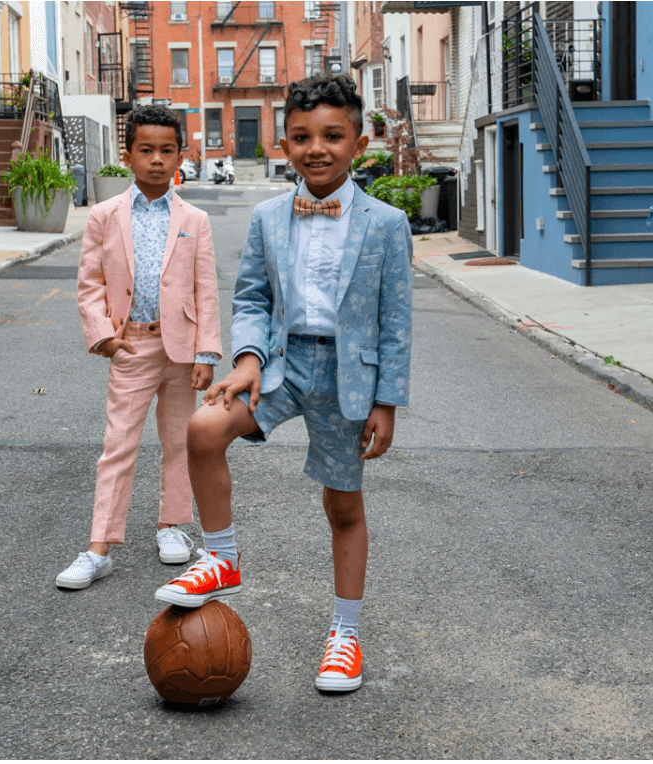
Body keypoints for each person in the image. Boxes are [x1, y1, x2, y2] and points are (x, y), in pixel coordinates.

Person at [153, 75, 413, 693]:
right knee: (205, 426)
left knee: (342, 505)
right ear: (283, 142)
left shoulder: (387, 223)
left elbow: (396, 321)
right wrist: (246, 358)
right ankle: (221, 557)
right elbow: (251, 297)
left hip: (351, 377)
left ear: (359, 141)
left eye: (332, 135)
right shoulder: (269, 216)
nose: (315, 148)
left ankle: (344, 634)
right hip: (281, 362)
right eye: (301, 137)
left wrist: (387, 402)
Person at [57, 105, 221, 590]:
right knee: (118, 446)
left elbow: (205, 288)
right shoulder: (105, 216)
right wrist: (104, 337)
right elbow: (89, 283)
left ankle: (172, 526)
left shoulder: (195, 218)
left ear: (179, 156)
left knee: (179, 443)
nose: (156, 160)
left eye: (166, 151)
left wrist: (207, 353)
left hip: (182, 350)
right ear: (127, 155)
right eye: (146, 150)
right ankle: (98, 548)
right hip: (131, 345)